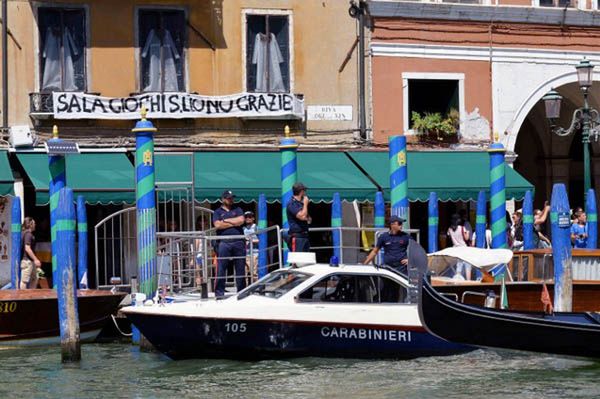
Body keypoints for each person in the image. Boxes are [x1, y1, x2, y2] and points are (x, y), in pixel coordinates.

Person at [212, 190, 246, 297]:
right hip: (224, 242)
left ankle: (241, 292)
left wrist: (226, 221)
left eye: (232, 198)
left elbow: (241, 221)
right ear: (223, 199)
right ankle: (219, 293)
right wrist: (234, 222)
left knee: (240, 268)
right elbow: (217, 225)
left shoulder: (238, 209)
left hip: (238, 241)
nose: (231, 200)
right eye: (228, 198)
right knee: (221, 268)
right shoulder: (217, 212)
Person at [286, 182, 311, 252]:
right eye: (304, 191)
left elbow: (308, 219)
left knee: (305, 260)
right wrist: (305, 204)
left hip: (305, 235)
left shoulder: (300, 204)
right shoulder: (292, 203)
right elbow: (302, 216)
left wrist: (306, 217)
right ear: (301, 191)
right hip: (297, 237)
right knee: (297, 259)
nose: (305, 193)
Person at [447, 214, 471, 279]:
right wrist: (468, 233)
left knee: (459, 265)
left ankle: (458, 280)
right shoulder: (462, 228)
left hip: (456, 249)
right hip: (464, 249)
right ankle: (468, 281)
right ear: (458, 220)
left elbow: (450, 237)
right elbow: (466, 238)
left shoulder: (449, 229)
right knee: (467, 265)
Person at [20, 217, 42, 289]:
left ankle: (32, 296)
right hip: (27, 261)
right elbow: (27, 248)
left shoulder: (26, 234)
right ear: (30, 224)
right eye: (34, 223)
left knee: (35, 278)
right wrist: (36, 259)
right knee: (24, 281)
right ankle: (23, 298)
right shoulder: (28, 234)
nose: (35, 224)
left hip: (30, 261)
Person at [243, 211, 259, 282]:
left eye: (249, 217)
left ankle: (256, 289)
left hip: (254, 253)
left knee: (254, 273)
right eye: (246, 217)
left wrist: (251, 241)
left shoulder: (256, 227)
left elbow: (261, 240)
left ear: (253, 218)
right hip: (245, 253)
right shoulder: (243, 229)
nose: (247, 218)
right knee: (244, 274)